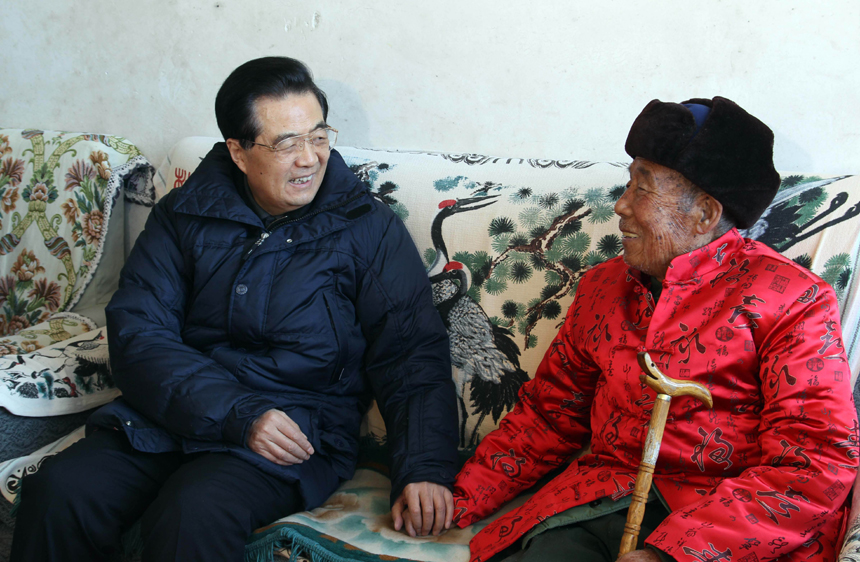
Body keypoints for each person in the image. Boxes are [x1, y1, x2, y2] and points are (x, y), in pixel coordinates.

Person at [11, 57, 458, 561]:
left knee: (193, 511)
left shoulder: (365, 228)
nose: (310, 158)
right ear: (239, 152)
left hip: (297, 431)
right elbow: (139, 334)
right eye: (287, 143)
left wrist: (424, 468)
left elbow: (410, 351)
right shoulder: (183, 215)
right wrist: (238, 413)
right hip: (173, 413)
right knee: (63, 490)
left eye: (319, 136)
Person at [451, 97, 859, 562]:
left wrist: (676, 555)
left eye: (643, 189)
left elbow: (814, 461)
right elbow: (549, 414)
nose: (621, 205)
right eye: (629, 182)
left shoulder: (792, 299)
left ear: (705, 214)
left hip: (725, 523)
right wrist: (460, 496)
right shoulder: (602, 289)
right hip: (600, 499)